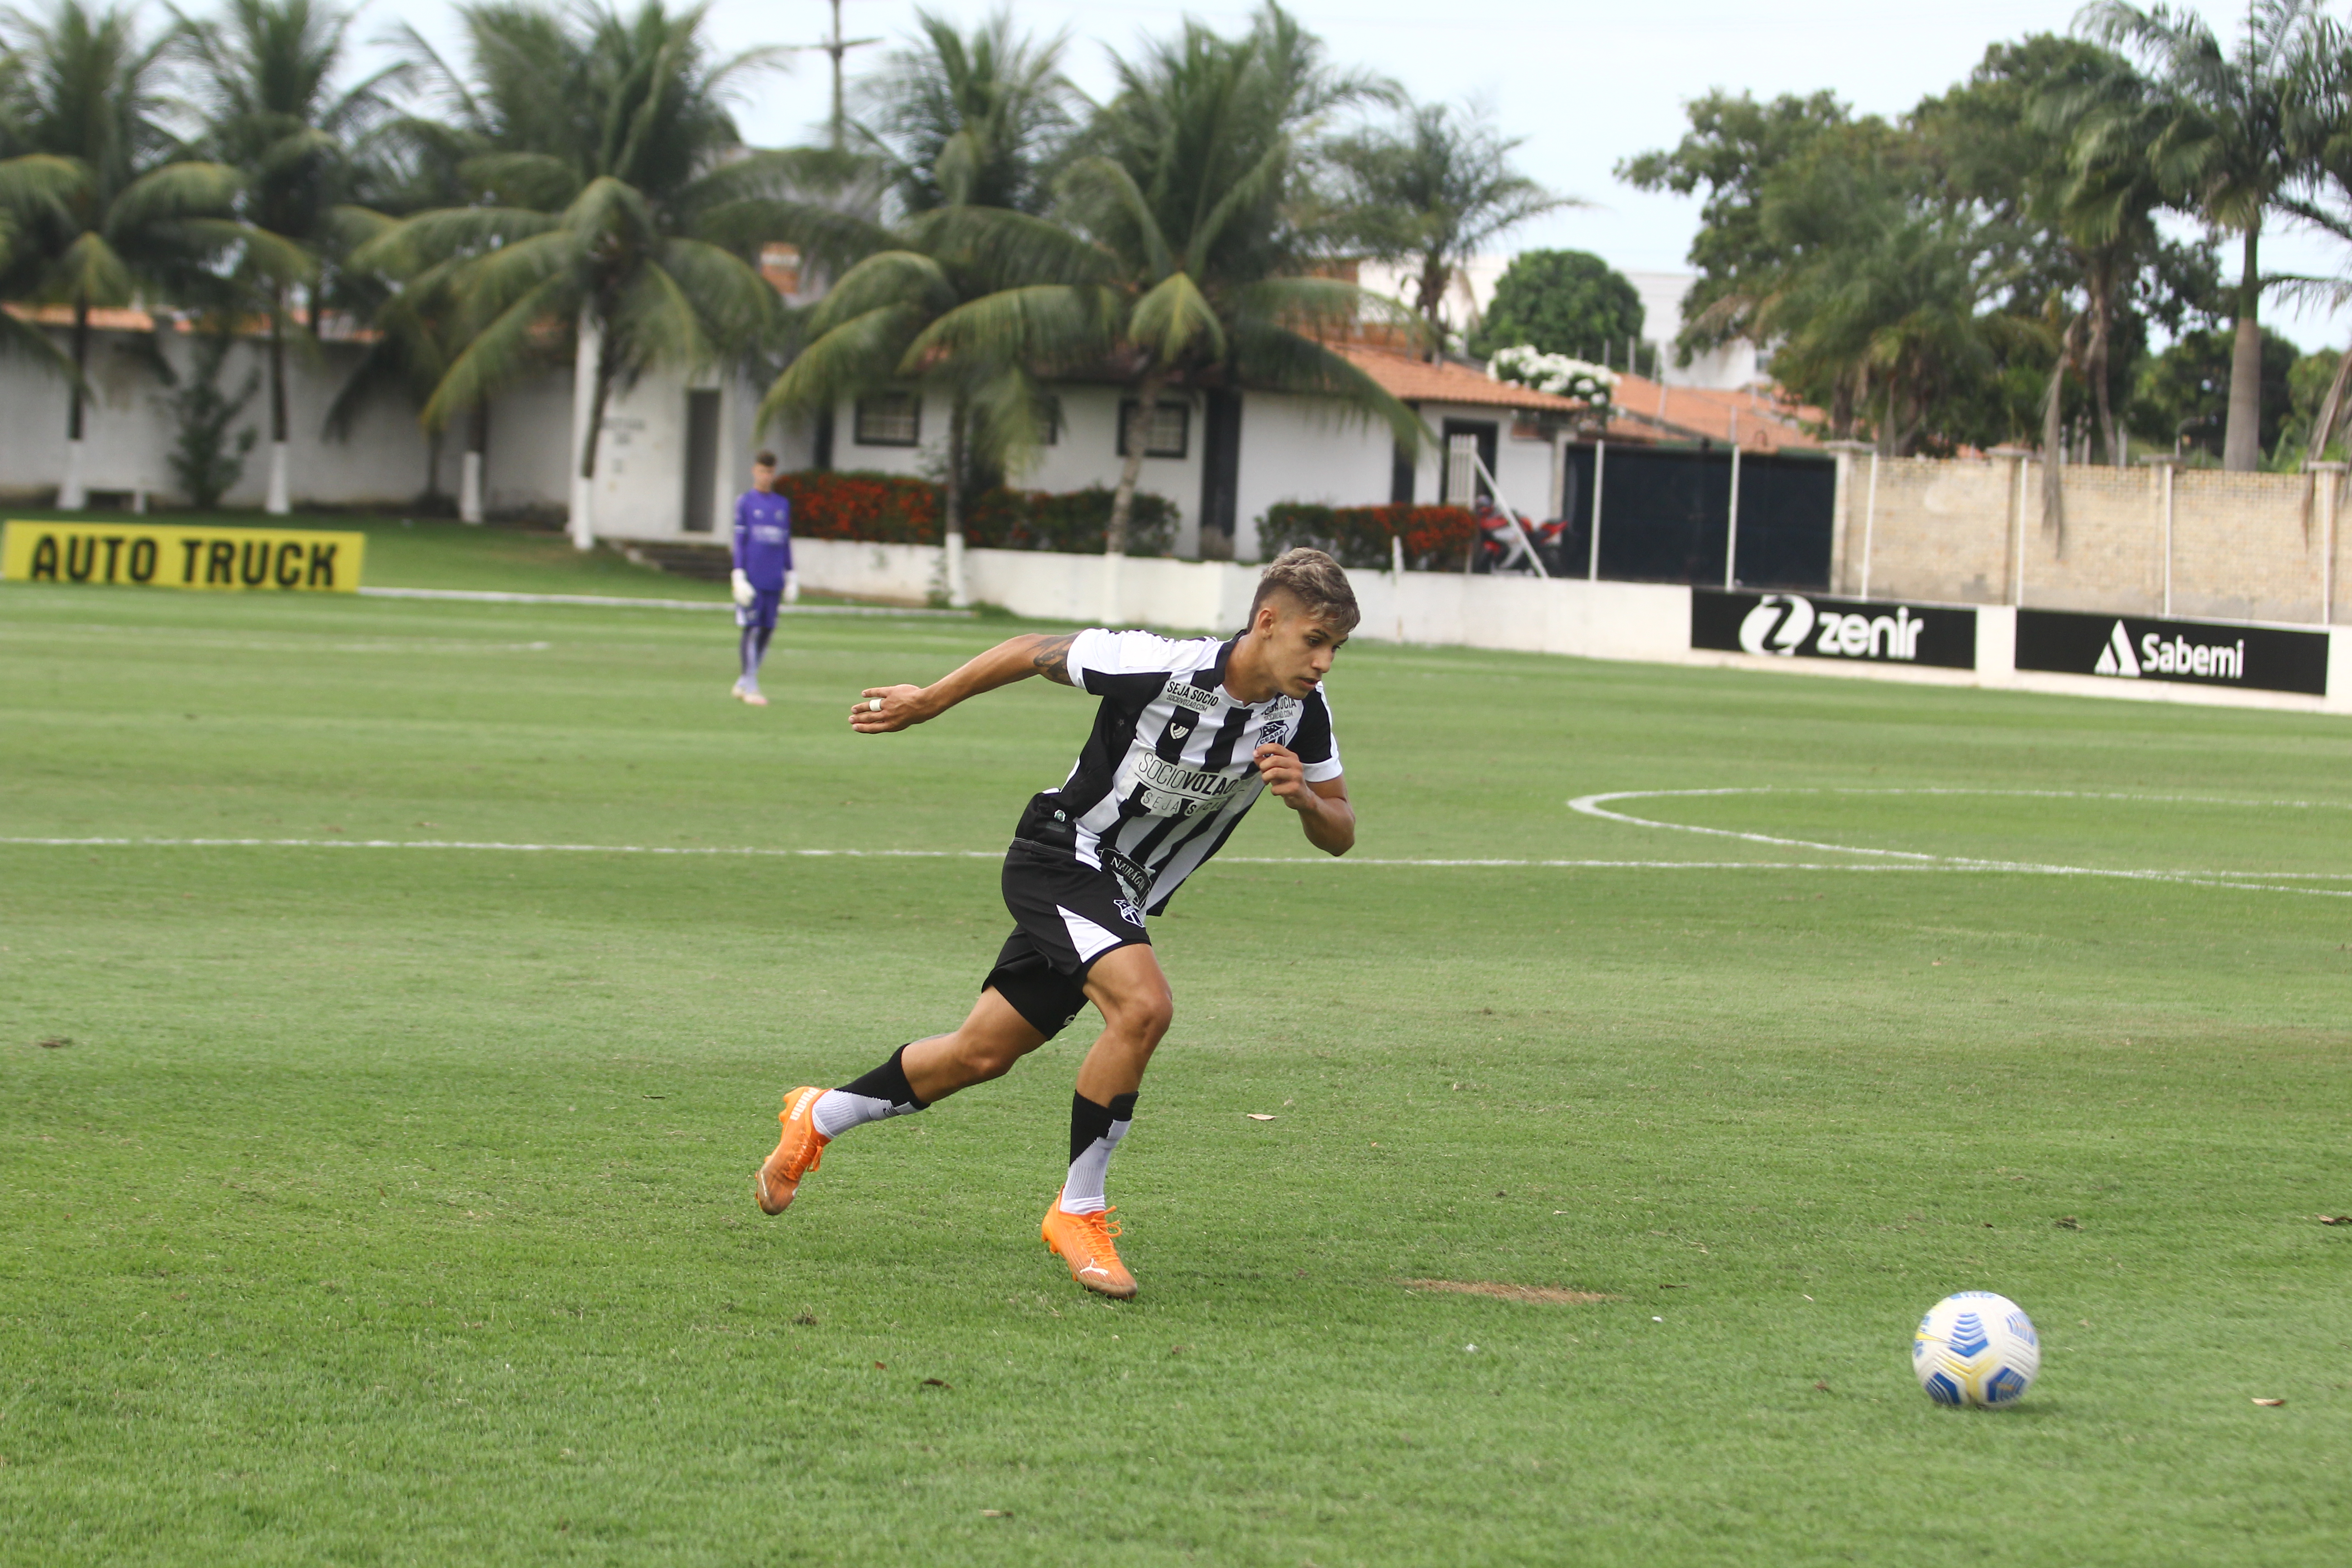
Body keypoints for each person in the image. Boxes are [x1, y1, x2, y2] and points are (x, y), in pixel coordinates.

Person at [754, 548, 1361, 1299]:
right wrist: (926, 702)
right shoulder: (1157, 664)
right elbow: (1025, 650)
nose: (1325, 660)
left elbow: (1341, 829)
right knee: (1143, 1008)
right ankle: (1078, 1210)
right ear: (1266, 622)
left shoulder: (1302, 715)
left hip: (1122, 893)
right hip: (1062, 852)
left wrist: (1303, 800)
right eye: (1315, 640)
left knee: (978, 1056)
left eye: (1336, 646)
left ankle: (820, 1113)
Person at [730, 451, 797, 705]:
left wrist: (791, 575)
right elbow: (740, 541)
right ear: (754, 471)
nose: (766, 477)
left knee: (768, 629)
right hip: (753, 578)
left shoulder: (782, 504)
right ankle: (751, 684)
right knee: (751, 629)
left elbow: (785, 543)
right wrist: (738, 574)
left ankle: (744, 681)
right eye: (762, 471)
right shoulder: (745, 502)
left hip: (774, 579)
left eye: (770, 472)